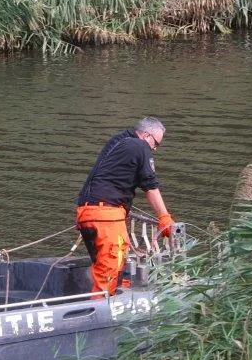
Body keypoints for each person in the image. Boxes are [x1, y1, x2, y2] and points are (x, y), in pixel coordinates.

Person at [75, 117, 177, 297]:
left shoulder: (118, 142)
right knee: (110, 268)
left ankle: (105, 299)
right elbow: (150, 186)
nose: (154, 149)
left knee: (104, 266)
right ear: (146, 135)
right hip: (106, 215)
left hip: (86, 213)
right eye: (156, 144)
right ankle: (100, 311)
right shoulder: (140, 147)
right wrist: (164, 218)